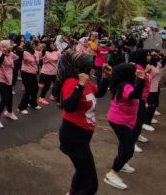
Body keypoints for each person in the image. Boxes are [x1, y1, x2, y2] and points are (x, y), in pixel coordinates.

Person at [57, 50, 111, 195]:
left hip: (82, 137)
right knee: (90, 184)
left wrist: (106, 77)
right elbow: (68, 106)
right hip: (73, 136)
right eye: (90, 65)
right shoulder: (71, 82)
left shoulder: (87, 83)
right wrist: (79, 85)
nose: (92, 68)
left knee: (82, 171)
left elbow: (99, 93)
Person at [104, 63, 146, 190]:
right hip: (119, 120)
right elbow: (135, 95)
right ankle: (112, 174)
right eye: (134, 72)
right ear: (128, 74)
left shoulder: (124, 83)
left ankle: (121, 164)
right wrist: (141, 79)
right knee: (128, 149)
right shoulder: (125, 86)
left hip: (123, 120)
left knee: (124, 144)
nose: (136, 73)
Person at [0, 40, 19, 128]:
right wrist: (3, 54)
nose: (12, 46)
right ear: (5, 46)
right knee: (5, 99)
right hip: (1, 79)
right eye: (10, 45)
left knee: (10, 97)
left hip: (9, 79)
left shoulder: (11, 54)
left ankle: (9, 112)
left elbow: (17, 57)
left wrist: (16, 49)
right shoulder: (0, 54)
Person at [17, 41, 41, 114]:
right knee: (28, 90)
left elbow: (42, 54)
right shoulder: (25, 52)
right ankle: (21, 107)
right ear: (28, 45)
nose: (34, 46)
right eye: (32, 44)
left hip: (33, 73)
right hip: (26, 73)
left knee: (35, 88)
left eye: (34, 44)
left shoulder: (36, 52)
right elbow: (19, 55)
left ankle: (32, 103)